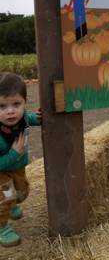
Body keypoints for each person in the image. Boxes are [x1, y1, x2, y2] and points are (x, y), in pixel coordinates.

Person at [0, 72, 41, 247]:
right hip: (1, 172)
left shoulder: (22, 117)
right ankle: (2, 227)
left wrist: (37, 119)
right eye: (1, 106)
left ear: (25, 102)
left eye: (16, 104)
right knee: (6, 196)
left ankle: (12, 204)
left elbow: (28, 117)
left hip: (17, 168)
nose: (10, 111)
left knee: (23, 192)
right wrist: (14, 154)